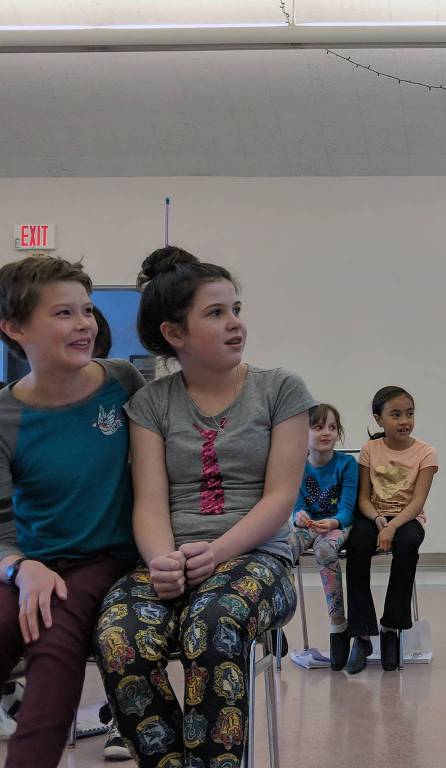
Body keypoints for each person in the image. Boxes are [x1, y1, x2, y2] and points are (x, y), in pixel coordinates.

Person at [94, 246, 314, 767]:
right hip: (171, 558)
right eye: (215, 313)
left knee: (213, 623)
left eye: (235, 309)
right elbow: (150, 503)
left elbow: (279, 498)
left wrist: (214, 553)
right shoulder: (150, 402)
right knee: (120, 636)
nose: (235, 323)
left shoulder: (280, 390)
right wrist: (161, 562)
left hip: (258, 558)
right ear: (175, 333)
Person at [0, 255, 143, 768]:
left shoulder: (124, 382)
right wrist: (20, 568)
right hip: (31, 563)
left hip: (105, 560)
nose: (85, 324)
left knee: (54, 642)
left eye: (86, 309)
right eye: (63, 313)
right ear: (15, 329)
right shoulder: (5, 415)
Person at [345, 386, 438, 673]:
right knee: (357, 544)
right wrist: (377, 521)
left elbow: (418, 501)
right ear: (378, 419)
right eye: (396, 415)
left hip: (407, 518)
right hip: (373, 515)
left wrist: (393, 525)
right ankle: (362, 634)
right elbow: (363, 497)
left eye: (409, 414)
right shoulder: (369, 449)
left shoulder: (426, 452)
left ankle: (391, 629)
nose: (404, 421)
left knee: (408, 544)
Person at [289, 403, 358, 669]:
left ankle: (338, 624)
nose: (326, 432)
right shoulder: (297, 465)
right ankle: (274, 620)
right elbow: (297, 506)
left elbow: (348, 510)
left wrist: (332, 522)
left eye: (332, 427)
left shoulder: (346, 464)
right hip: (310, 524)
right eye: (318, 427)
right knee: (283, 548)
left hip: (338, 523)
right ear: (303, 432)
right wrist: (299, 516)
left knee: (324, 549)